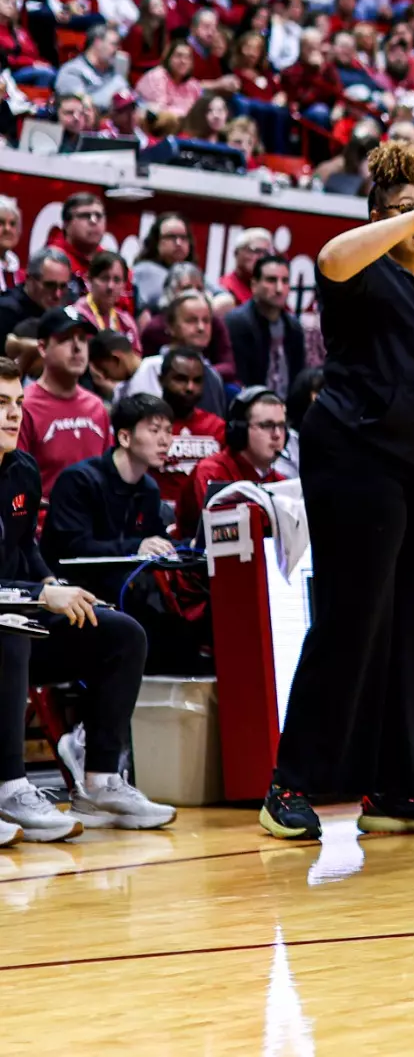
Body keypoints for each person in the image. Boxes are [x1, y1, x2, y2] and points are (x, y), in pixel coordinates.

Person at [261, 143, 414, 842]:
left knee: (408, 626)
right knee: (351, 621)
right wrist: (410, 217)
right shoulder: (361, 269)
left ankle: (393, 784)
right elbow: (329, 256)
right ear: (380, 216)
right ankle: (289, 783)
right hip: (357, 459)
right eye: (403, 210)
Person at [0, 362, 176, 838]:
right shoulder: (83, 480)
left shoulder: (22, 469)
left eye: (18, 404)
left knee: (119, 632)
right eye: (1, 404)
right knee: (12, 629)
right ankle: (9, 788)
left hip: (17, 615)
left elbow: (25, 548)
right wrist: (42, 594)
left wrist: (56, 586)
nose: (13, 415)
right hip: (7, 624)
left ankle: (99, 779)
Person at [42, 392, 176, 605]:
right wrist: (136, 547)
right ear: (124, 437)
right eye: (154, 431)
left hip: (122, 588)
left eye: (169, 431)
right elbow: (74, 548)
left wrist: (191, 544)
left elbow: (156, 540)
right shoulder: (79, 480)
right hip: (73, 590)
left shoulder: (149, 488)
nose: (165, 441)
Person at [181, 385, 289, 537]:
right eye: (267, 426)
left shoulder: (280, 482)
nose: (277, 435)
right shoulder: (212, 472)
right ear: (240, 430)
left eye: (281, 426)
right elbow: (226, 534)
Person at [19, 307, 110, 479]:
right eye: (65, 339)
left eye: (82, 339)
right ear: (43, 348)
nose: (77, 347)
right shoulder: (24, 407)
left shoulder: (97, 407)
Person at [151, 345, 227, 525]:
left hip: (206, 518)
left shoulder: (217, 427)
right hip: (158, 518)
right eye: (181, 379)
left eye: (197, 380)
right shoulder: (145, 425)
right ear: (162, 380)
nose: (190, 387)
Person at [223, 253, 306, 393]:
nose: (279, 289)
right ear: (254, 285)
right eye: (271, 280)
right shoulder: (237, 323)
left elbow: (298, 378)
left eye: (285, 281)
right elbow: (238, 379)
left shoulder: (294, 327)